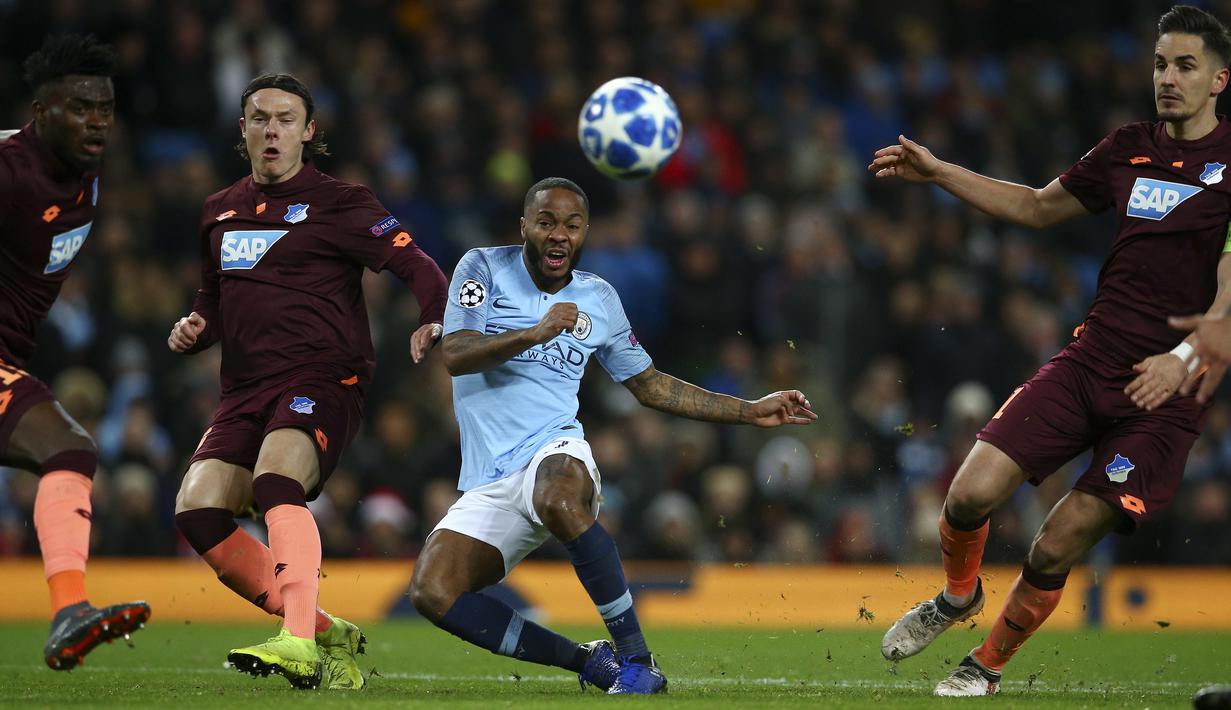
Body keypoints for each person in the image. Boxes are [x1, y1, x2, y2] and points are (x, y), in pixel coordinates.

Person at [868, 4, 1231, 697]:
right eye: (1160, 63)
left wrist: (1180, 360)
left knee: (1055, 542)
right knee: (968, 495)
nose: (1167, 77)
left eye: (1185, 65)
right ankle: (954, 598)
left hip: (1166, 397)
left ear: (1219, 79)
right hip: (1090, 360)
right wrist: (940, 171)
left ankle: (987, 664)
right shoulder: (1127, 145)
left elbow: (1226, 295)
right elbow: (1037, 207)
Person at [408, 177, 816, 695]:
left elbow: (649, 385)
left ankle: (638, 660)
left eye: (573, 225)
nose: (560, 235)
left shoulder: (598, 297)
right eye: (547, 222)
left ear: (585, 233)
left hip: (554, 450)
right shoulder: (483, 267)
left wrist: (749, 410)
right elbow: (456, 353)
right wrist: (535, 332)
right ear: (524, 227)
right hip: (490, 478)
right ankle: (587, 662)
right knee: (433, 592)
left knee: (557, 495)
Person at [167, 73, 448, 691]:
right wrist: (196, 327)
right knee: (197, 509)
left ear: (308, 131)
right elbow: (212, 301)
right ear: (241, 129)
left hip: (324, 373)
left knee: (275, 479)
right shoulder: (219, 209)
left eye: (286, 119)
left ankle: (295, 641)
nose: (272, 130)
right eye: (260, 118)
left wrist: (432, 319)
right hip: (244, 389)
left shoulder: (341, 202)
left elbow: (418, 263)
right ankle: (325, 630)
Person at [0, 34, 151, 671]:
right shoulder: (9, 170)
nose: (97, 121)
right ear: (41, 111)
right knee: (69, 447)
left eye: (106, 108)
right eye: (81, 106)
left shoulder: (83, 179)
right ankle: (69, 610)